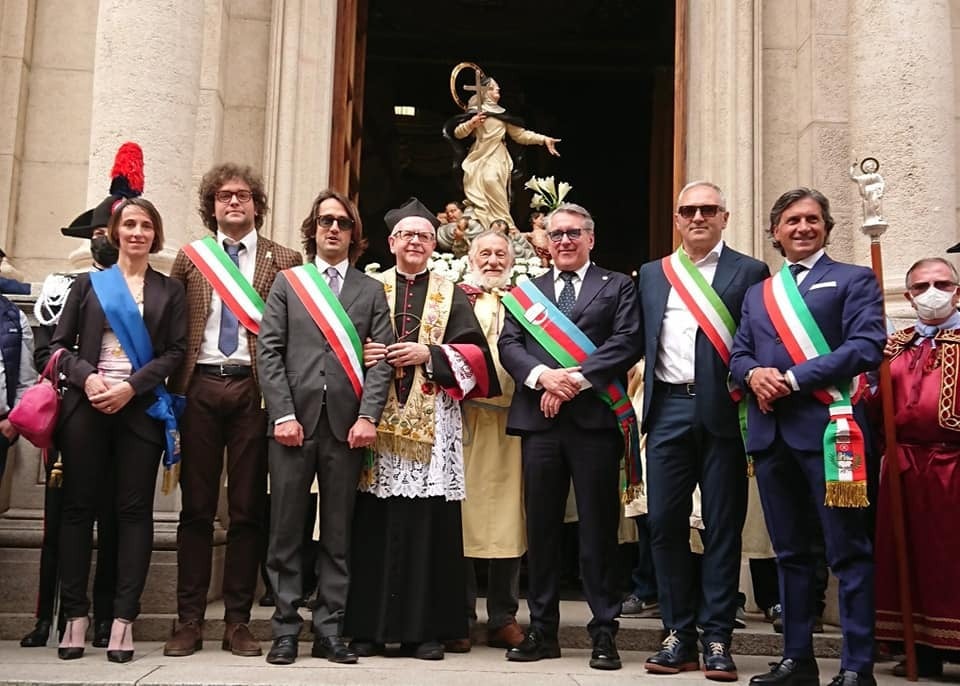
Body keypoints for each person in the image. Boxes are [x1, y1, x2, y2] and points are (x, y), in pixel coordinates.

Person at [729, 188, 885, 686]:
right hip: (772, 436)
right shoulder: (759, 293)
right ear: (775, 232)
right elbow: (739, 353)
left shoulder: (853, 279)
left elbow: (867, 345)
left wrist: (792, 378)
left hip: (830, 433)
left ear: (827, 227)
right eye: (792, 220)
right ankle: (797, 659)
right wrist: (753, 374)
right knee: (790, 554)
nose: (803, 227)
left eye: (812, 219)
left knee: (848, 552)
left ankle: (857, 666)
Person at [344, 197, 499, 661]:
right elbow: (339, 344)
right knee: (372, 524)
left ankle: (425, 632)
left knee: (429, 527)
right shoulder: (368, 287)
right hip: (373, 423)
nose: (416, 242)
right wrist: (360, 353)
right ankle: (368, 629)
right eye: (407, 235)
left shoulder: (451, 293)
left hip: (432, 424)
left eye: (424, 236)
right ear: (392, 242)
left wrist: (428, 355)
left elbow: (477, 357)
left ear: (435, 245)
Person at [164, 164, 301, 658]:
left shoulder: (286, 259)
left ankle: (238, 621)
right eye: (224, 196)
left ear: (258, 205)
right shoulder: (191, 257)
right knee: (197, 510)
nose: (234, 202)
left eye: (243, 195)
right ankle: (189, 620)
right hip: (199, 386)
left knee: (246, 509)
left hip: (254, 392)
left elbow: (294, 333)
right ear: (212, 206)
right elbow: (172, 325)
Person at [498, 202, 642, 671]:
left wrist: (574, 381)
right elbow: (509, 345)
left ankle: (604, 632)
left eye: (573, 233)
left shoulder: (617, 285)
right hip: (540, 425)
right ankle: (542, 631)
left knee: (597, 530)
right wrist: (543, 377)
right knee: (541, 531)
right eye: (556, 233)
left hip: (595, 422)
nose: (564, 240)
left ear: (590, 238)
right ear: (546, 241)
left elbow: (627, 340)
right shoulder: (527, 292)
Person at [637, 181, 769, 681]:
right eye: (689, 210)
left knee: (722, 526)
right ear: (676, 218)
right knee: (664, 524)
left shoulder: (750, 271)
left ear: (724, 217)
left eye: (708, 209)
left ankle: (717, 636)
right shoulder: (653, 274)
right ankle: (678, 633)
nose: (698, 217)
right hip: (668, 408)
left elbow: (761, 336)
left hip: (724, 412)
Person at [257, 189, 394, 666]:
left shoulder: (370, 291)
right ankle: (284, 629)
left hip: (346, 427)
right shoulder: (289, 283)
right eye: (325, 221)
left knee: (337, 534)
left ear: (354, 234)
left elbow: (381, 361)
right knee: (285, 532)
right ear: (312, 230)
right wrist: (282, 414)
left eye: (342, 222)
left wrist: (367, 416)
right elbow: (269, 351)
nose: (333, 228)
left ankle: (330, 630)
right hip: (293, 425)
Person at [51, 197, 186, 663]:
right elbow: (57, 348)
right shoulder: (88, 285)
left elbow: (175, 352)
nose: (137, 232)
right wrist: (88, 377)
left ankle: (123, 619)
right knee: (78, 509)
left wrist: (131, 387)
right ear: (115, 232)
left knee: (133, 512)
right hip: (86, 406)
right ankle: (75, 616)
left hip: (139, 408)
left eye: (146, 225)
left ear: (156, 235)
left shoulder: (170, 291)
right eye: (129, 224)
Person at [21, 155, 132, 648]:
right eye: (101, 231)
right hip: (73, 413)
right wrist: (83, 380)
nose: (107, 238)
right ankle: (53, 616)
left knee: (114, 518)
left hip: (123, 412)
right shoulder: (66, 287)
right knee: (65, 519)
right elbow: (46, 350)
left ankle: (105, 616)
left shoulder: (141, 288)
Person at [874, 257, 960, 678]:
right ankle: (919, 647)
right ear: (908, 296)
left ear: (957, 292)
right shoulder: (894, 346)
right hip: (903, 466)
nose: (932, 293)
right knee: (906, 556)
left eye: (942, 284)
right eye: (922, 286)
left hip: (953, 465)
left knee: (950, 558)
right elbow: (875, 404)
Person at [455, 230, 526, 650]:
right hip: (463, 423)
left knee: (509, 521)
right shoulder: (454, 299)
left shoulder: (525, 302)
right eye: (485, 253)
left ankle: (503, 616)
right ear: (470, 258)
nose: (493, 261)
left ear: (512, 261)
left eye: (501, 254)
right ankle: (460, 615)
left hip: (511, 424)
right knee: (459, 520)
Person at [445, 76, 560, 230]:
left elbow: (520, 135)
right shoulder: (475, 113)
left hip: (497, 155)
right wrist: (471, 124)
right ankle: (481, 222)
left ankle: (504, 222)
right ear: (484, 92)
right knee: (476, 188)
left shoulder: (502, 114)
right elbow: (458, 133)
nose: (498, 89)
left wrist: (543, 139)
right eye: (493, 87)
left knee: (491, 180)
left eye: (497, 87)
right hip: (477, 156)